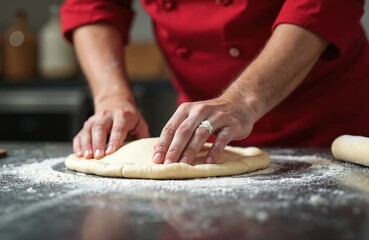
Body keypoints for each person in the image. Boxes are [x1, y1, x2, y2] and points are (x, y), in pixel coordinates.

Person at [61, 0, 369, 166]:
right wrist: (112, 97)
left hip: (325, 121)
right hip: (203, 135)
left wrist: (244, 100)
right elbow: (94, 5)